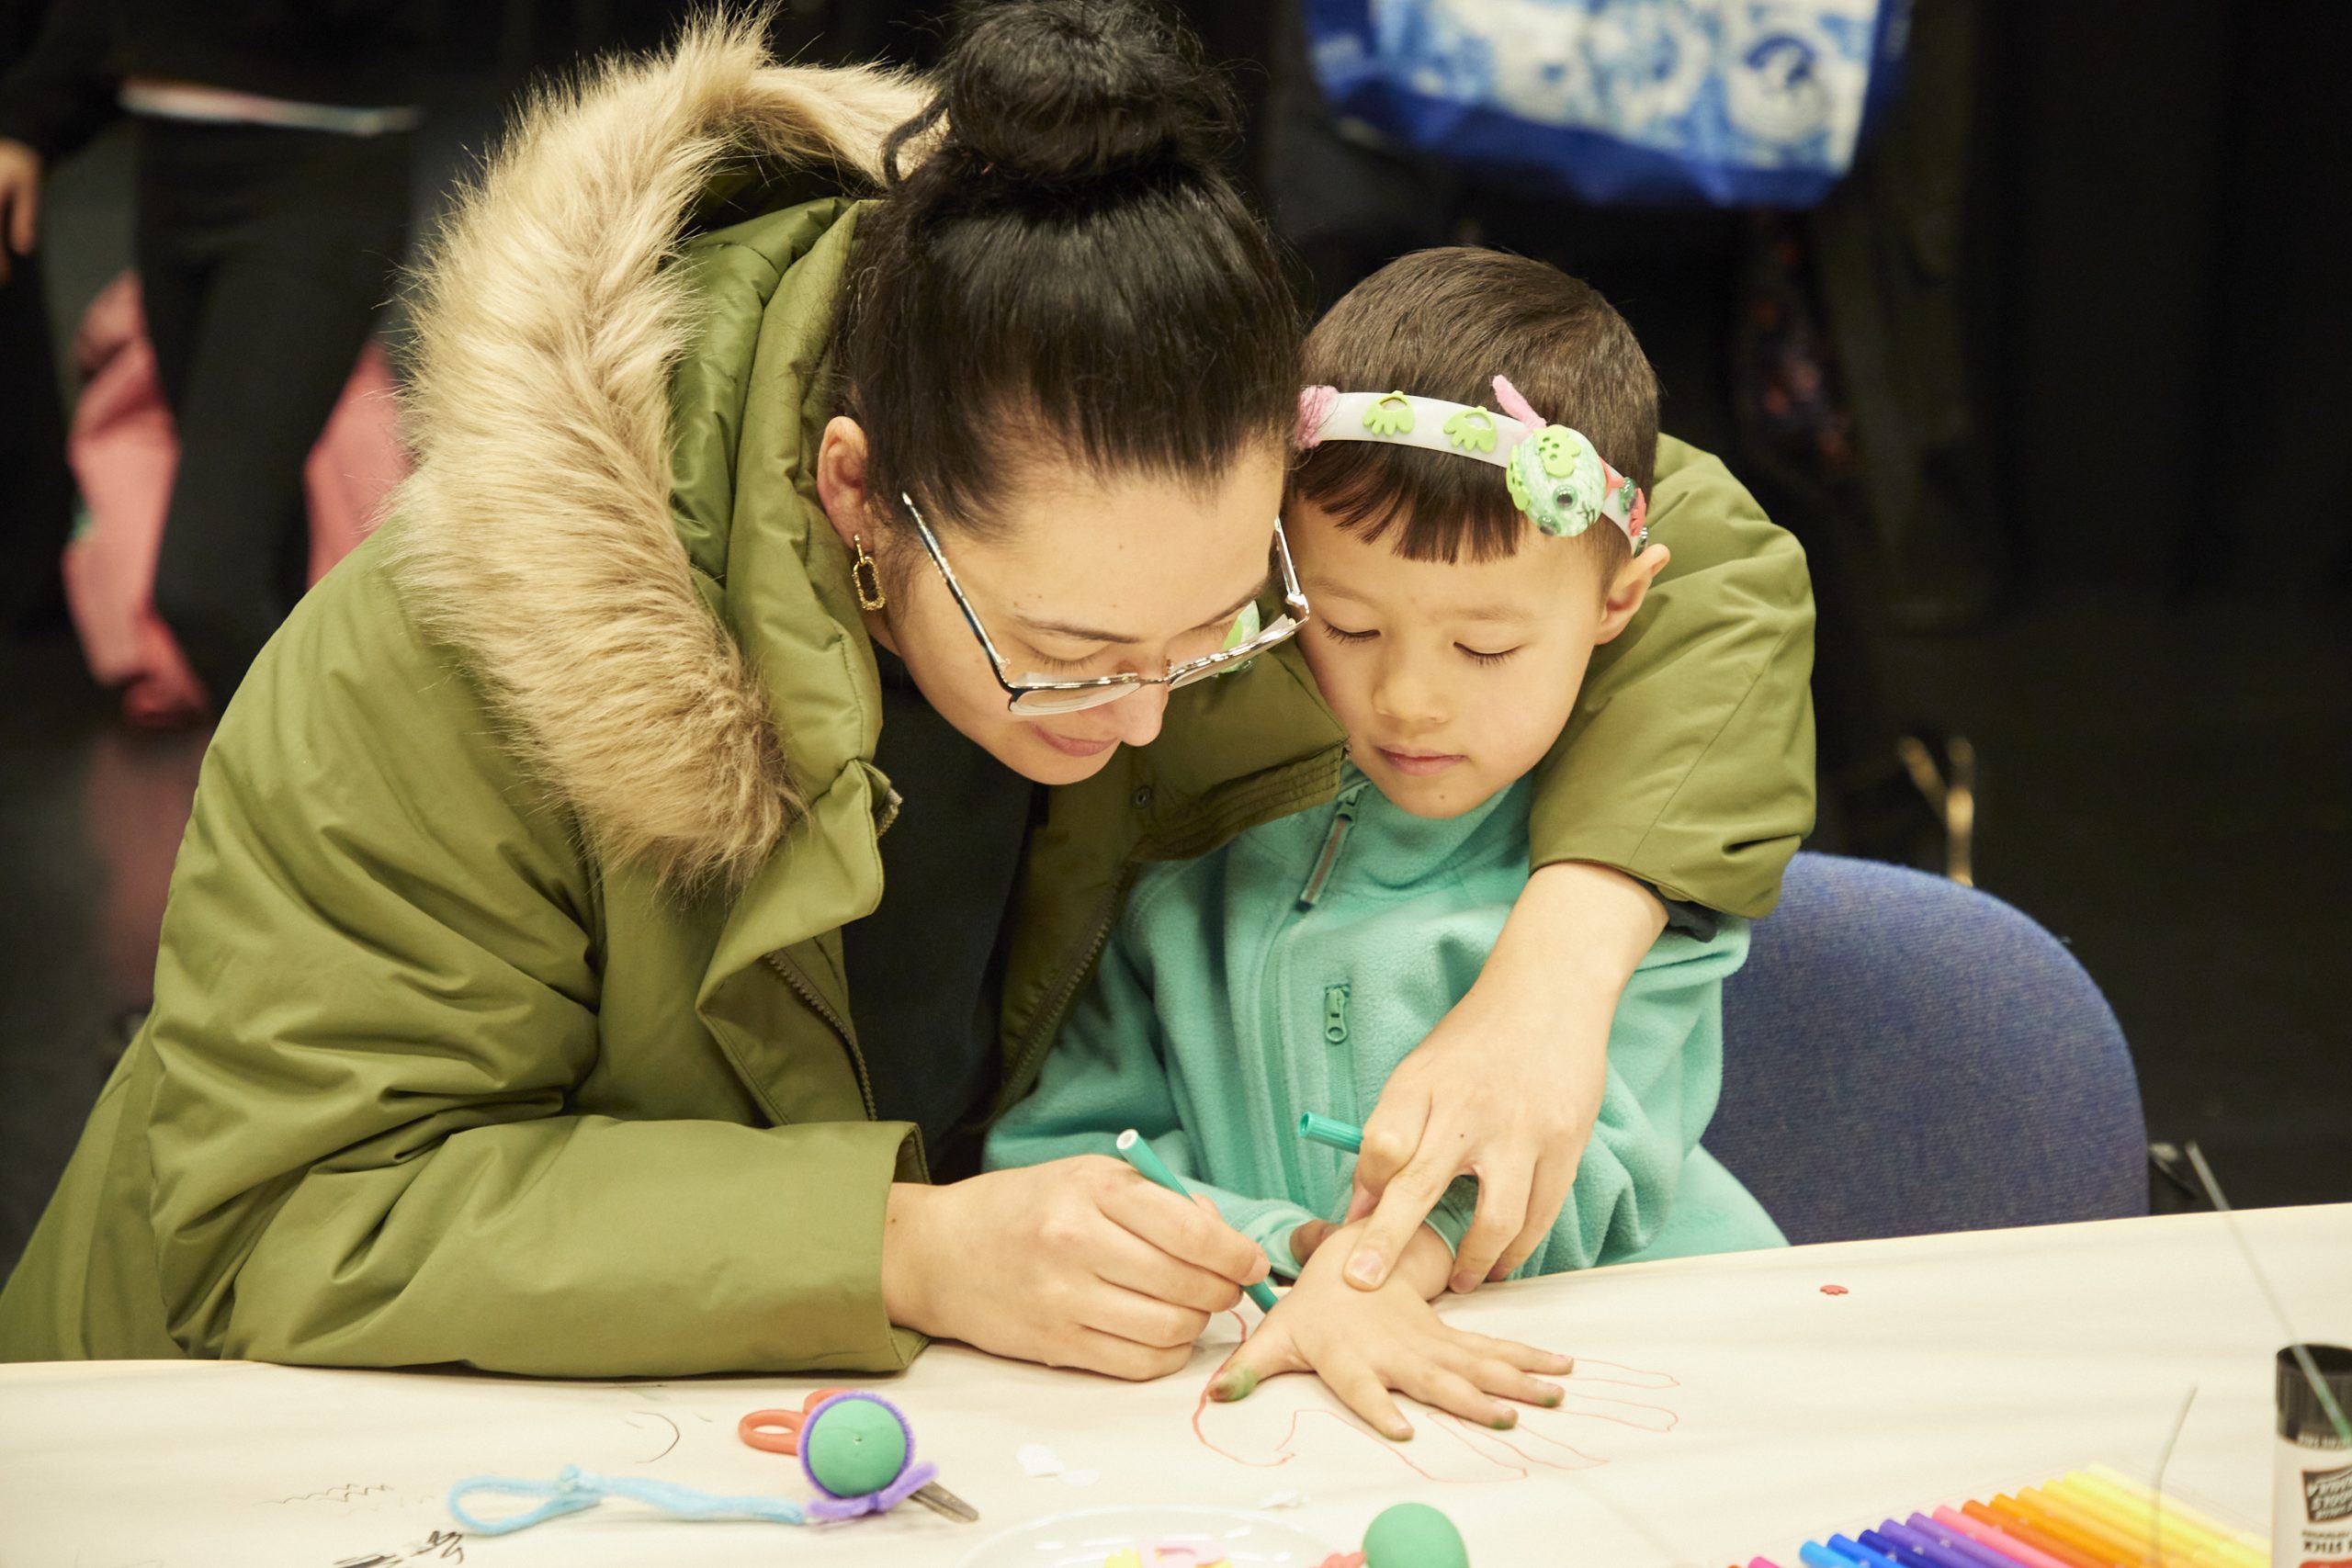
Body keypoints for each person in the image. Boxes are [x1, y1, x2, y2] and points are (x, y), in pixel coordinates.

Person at [0, 3, 1812, 1380]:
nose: (1149, 719)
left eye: (1225, 630)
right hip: (200, 1437)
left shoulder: (1261, 549)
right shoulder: (449, 647)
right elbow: (296, 1219)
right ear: (857, 495)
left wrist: (1555, 972)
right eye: (1069, 658)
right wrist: (889, 1247)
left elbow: (1694, 551)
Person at [986, 249, 1787, 1437]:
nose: (1408, 699)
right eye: (1348, 624)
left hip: (1612, 1379)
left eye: (1485, 649)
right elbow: (1074, 1146)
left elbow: (1590, 1164)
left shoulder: (1632, 886)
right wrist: (1287, 1251)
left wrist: (1376, 1271)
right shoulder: (1198, 852)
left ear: (1622, 602)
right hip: (1265, 1390)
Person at [0, 0, 425, 705]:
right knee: (265, 573)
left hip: (318, 174)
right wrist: (28, 122)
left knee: (206, 586)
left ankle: (363, 800)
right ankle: (291, 805)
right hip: (175, 176)